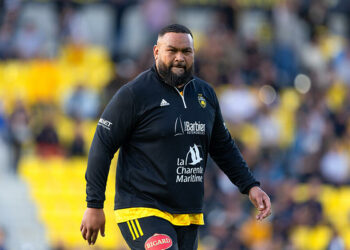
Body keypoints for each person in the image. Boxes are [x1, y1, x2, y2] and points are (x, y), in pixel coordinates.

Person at [80, 24, 271, 249]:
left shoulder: (205, 94)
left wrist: (250, 186)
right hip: (143, 209)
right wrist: (94, 205)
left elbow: (223, 146)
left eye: (186, 52)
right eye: (172, 51)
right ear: (156, 52)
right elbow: (102, 145)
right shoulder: (134, 94)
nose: (179, 58)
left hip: (187, 213)